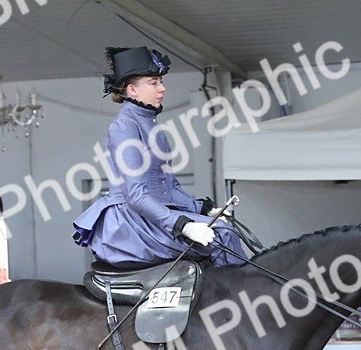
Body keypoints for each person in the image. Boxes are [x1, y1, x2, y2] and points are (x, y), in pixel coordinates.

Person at [73, 46, 246, 269]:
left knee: (224, 226)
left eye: (161, 81)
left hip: (152, 217)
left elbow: (168, 188)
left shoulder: (149, 122)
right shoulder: (124, 127)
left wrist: (202, 209)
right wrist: (183, 225)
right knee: (222, 235)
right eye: (154, 83)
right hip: (132, 223)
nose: (162, 88)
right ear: (133, 90)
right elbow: (135, 195)